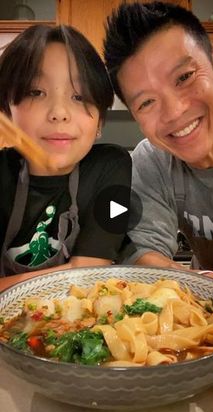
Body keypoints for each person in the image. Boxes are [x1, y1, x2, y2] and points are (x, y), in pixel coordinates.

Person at [104, 1, 213, 389]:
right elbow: (146, 254)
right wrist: (205, 289)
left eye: (183, 77)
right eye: (147, 101)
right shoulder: (149, 162)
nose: (175, 111)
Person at [0, 24, 131, 291]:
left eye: (79, 96)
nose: (59, 112)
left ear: (100, 121)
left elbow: (91, 271)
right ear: (6, 110)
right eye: (36, 92)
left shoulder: (112, 167)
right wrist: (71, 271)